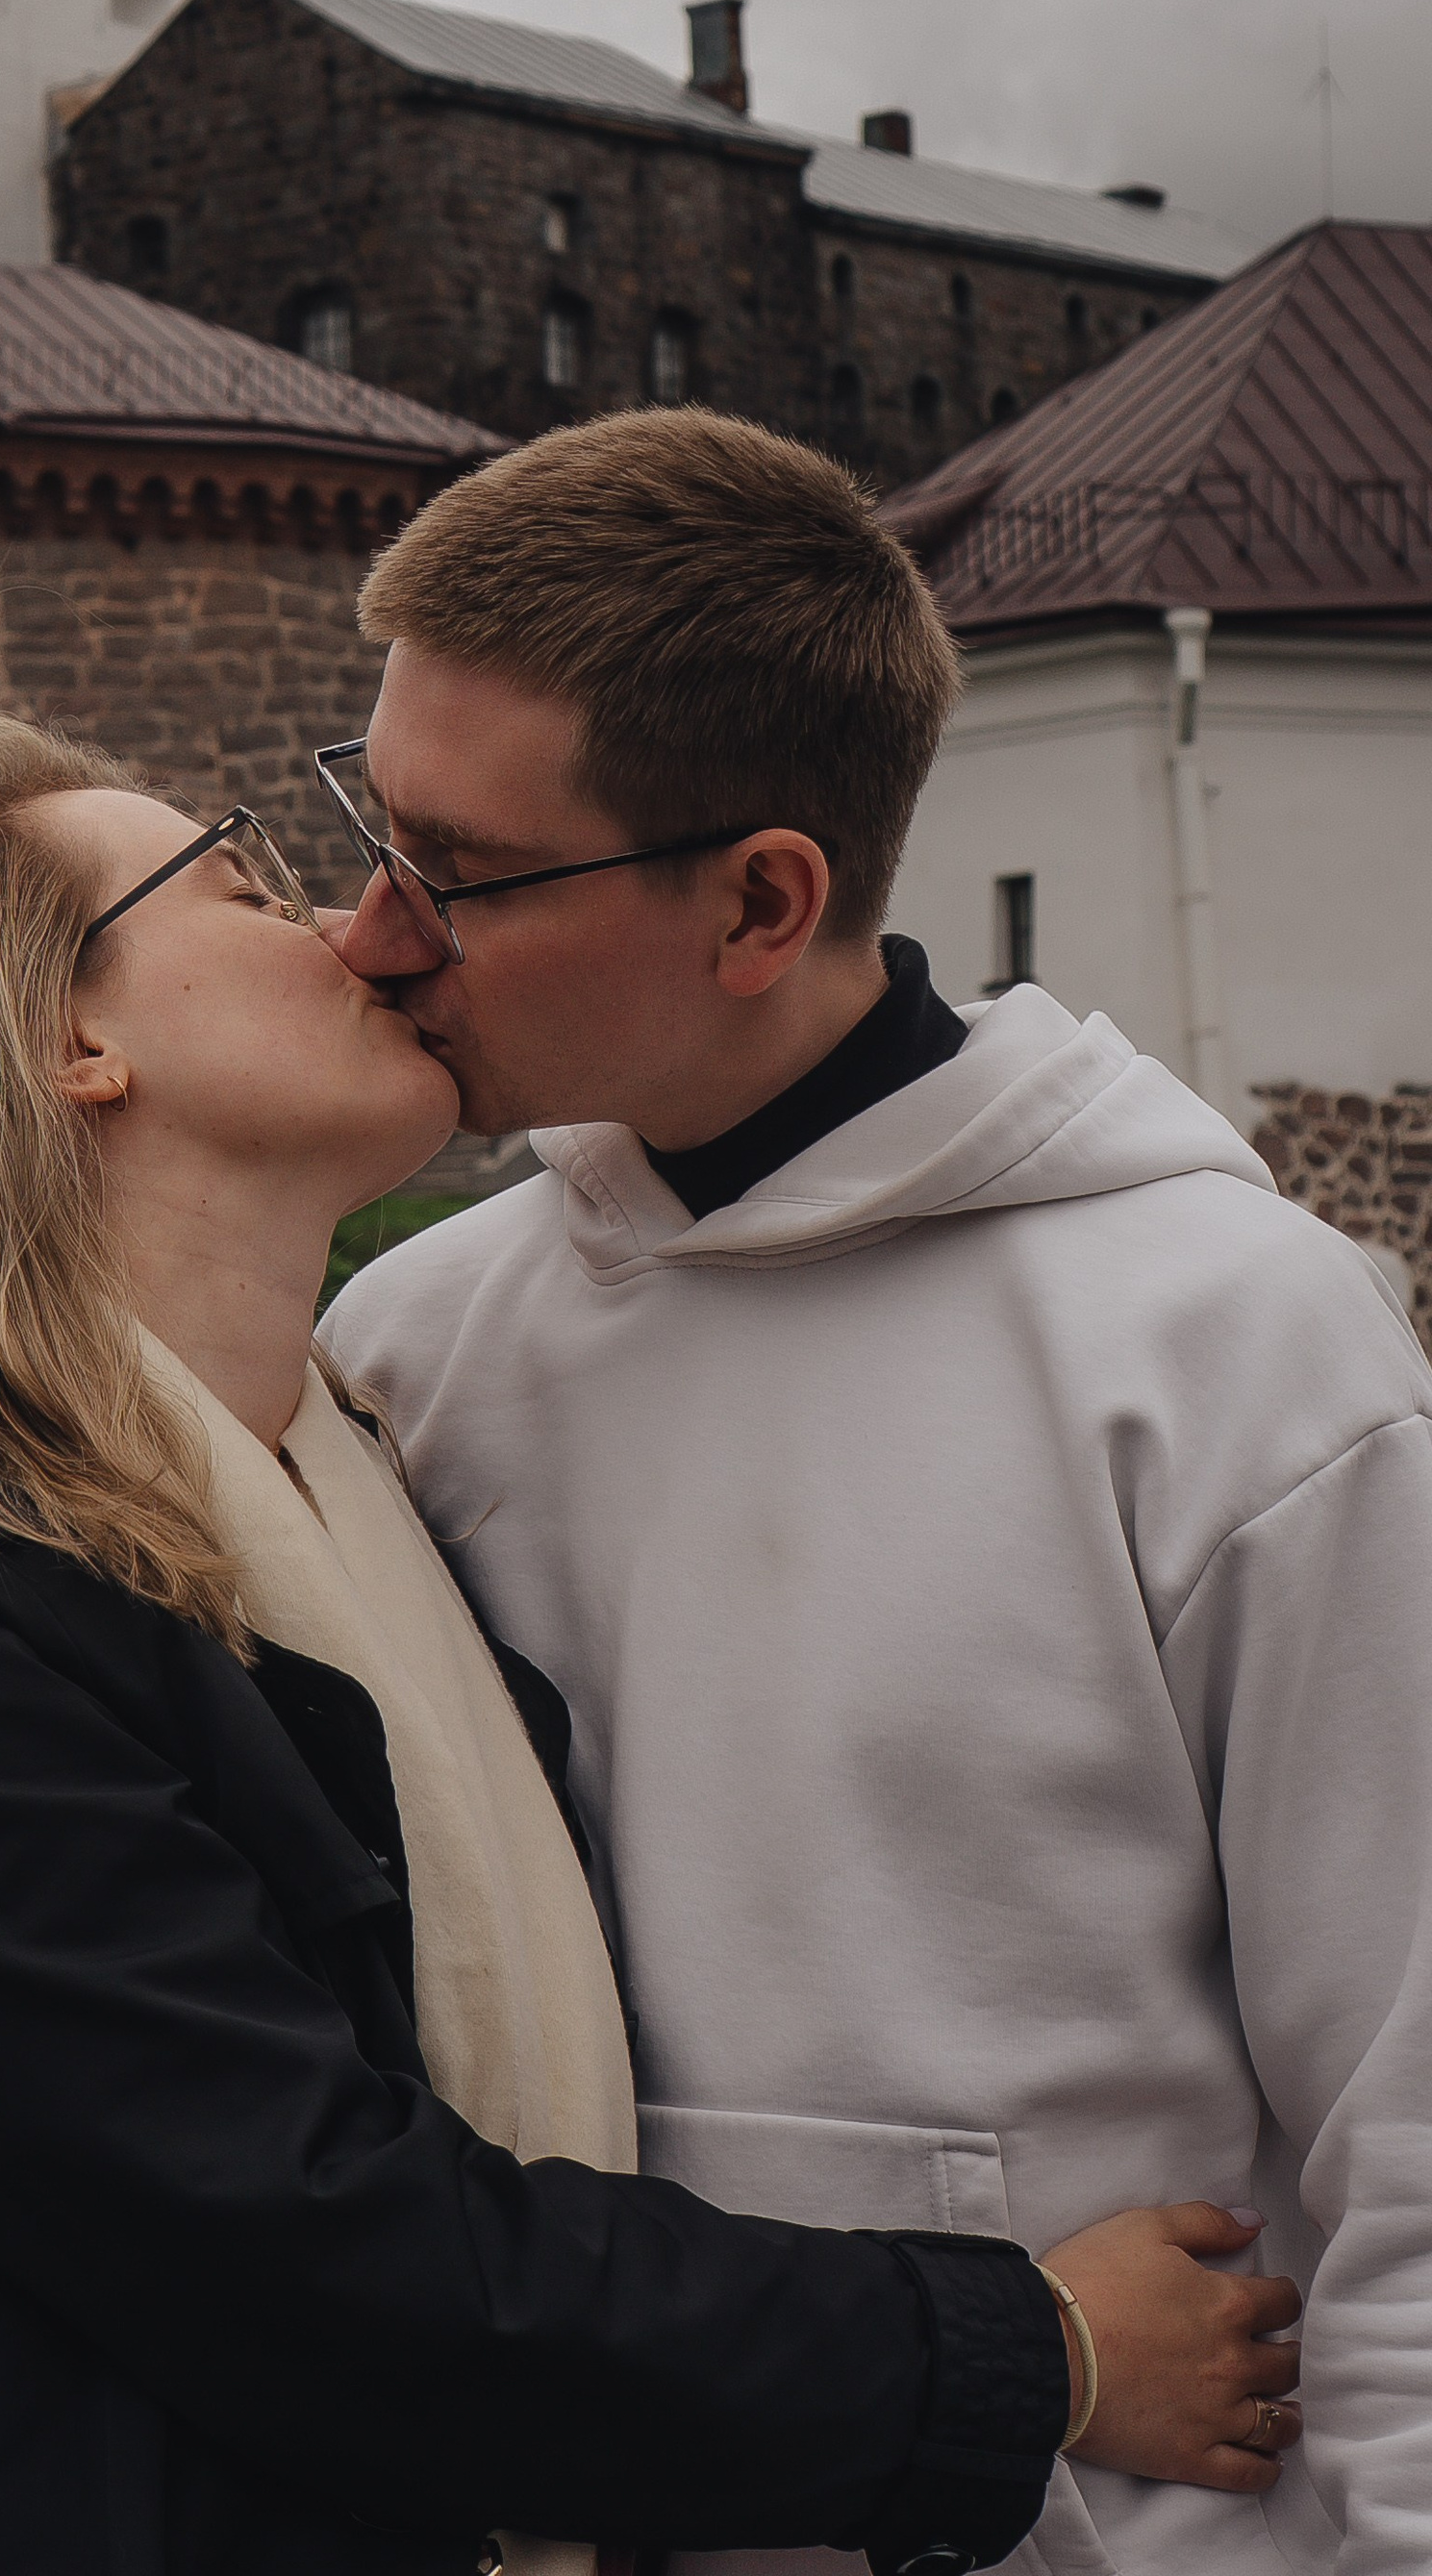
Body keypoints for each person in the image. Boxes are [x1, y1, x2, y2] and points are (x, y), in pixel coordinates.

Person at [0, 685, 1300, 2576]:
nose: (366, 925)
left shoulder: (380, 1499)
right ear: (66, 1041)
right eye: (239, 886)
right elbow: (336, 2272)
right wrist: (1029, 2351)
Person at [321, 406, 1430, 2574]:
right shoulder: (407, 1354)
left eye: (450, 873)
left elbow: (1418, 2110)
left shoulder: (1237, 1352)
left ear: (758, 898)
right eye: (368, 826)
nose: (369, 933)